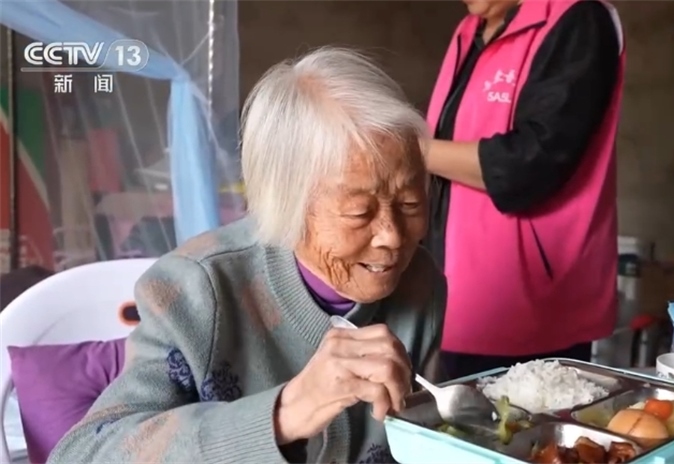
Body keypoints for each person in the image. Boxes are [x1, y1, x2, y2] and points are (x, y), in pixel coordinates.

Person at [48, 47, 445, 464]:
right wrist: (286, 412)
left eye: (410, 203)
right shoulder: (195, 290)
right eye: (359, 212)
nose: (392, 237)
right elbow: (79, 455)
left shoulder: (420, 282)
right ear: (286, 201)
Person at [422, 0, 625, 379]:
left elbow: (528, 166)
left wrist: (410, 151)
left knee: (526, 415)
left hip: (533, 305)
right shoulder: (470, 30)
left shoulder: (578, 19)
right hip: (460, 296)